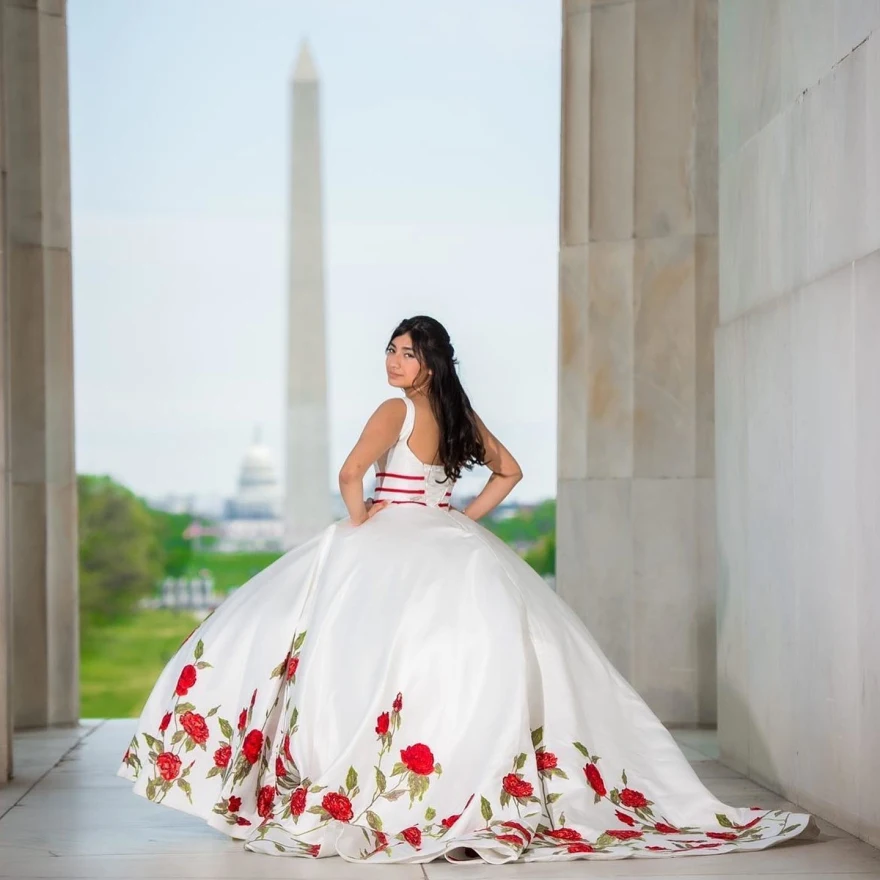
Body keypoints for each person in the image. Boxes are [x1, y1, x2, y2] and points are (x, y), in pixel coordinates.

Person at [118, 315, 815, 864]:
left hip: (389, 536)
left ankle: (360, 783)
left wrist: (362, 525)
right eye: (390, 349)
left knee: (340, 660)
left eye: (405, 352)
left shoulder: (394, 412)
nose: (392, 362)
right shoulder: (459, 415)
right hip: (449, 543)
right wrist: (461, 516)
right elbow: (509, 470)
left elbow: (349, 475)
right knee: (449, 665)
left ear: (428, 363)